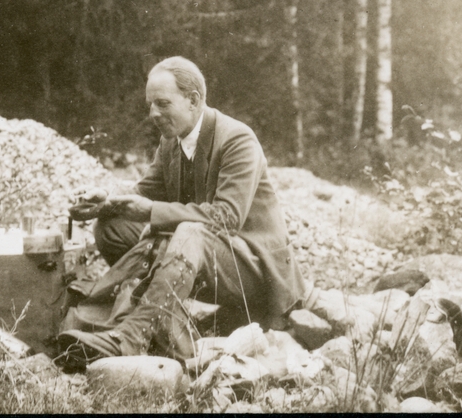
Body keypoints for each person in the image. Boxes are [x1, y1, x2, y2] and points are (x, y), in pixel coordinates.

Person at [57, 56, 306, 369]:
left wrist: (153, 212)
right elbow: (143, 193)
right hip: (206, 258)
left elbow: (226, 218)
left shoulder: (237, 139)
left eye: (162, 103)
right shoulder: (171, 143)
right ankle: (156, 322)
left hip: (258, 272)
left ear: (193, 100)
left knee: (188, 231)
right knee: (112, 225)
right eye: (150, 105)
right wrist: (104, 201)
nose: (153, 114)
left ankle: (131, 338)